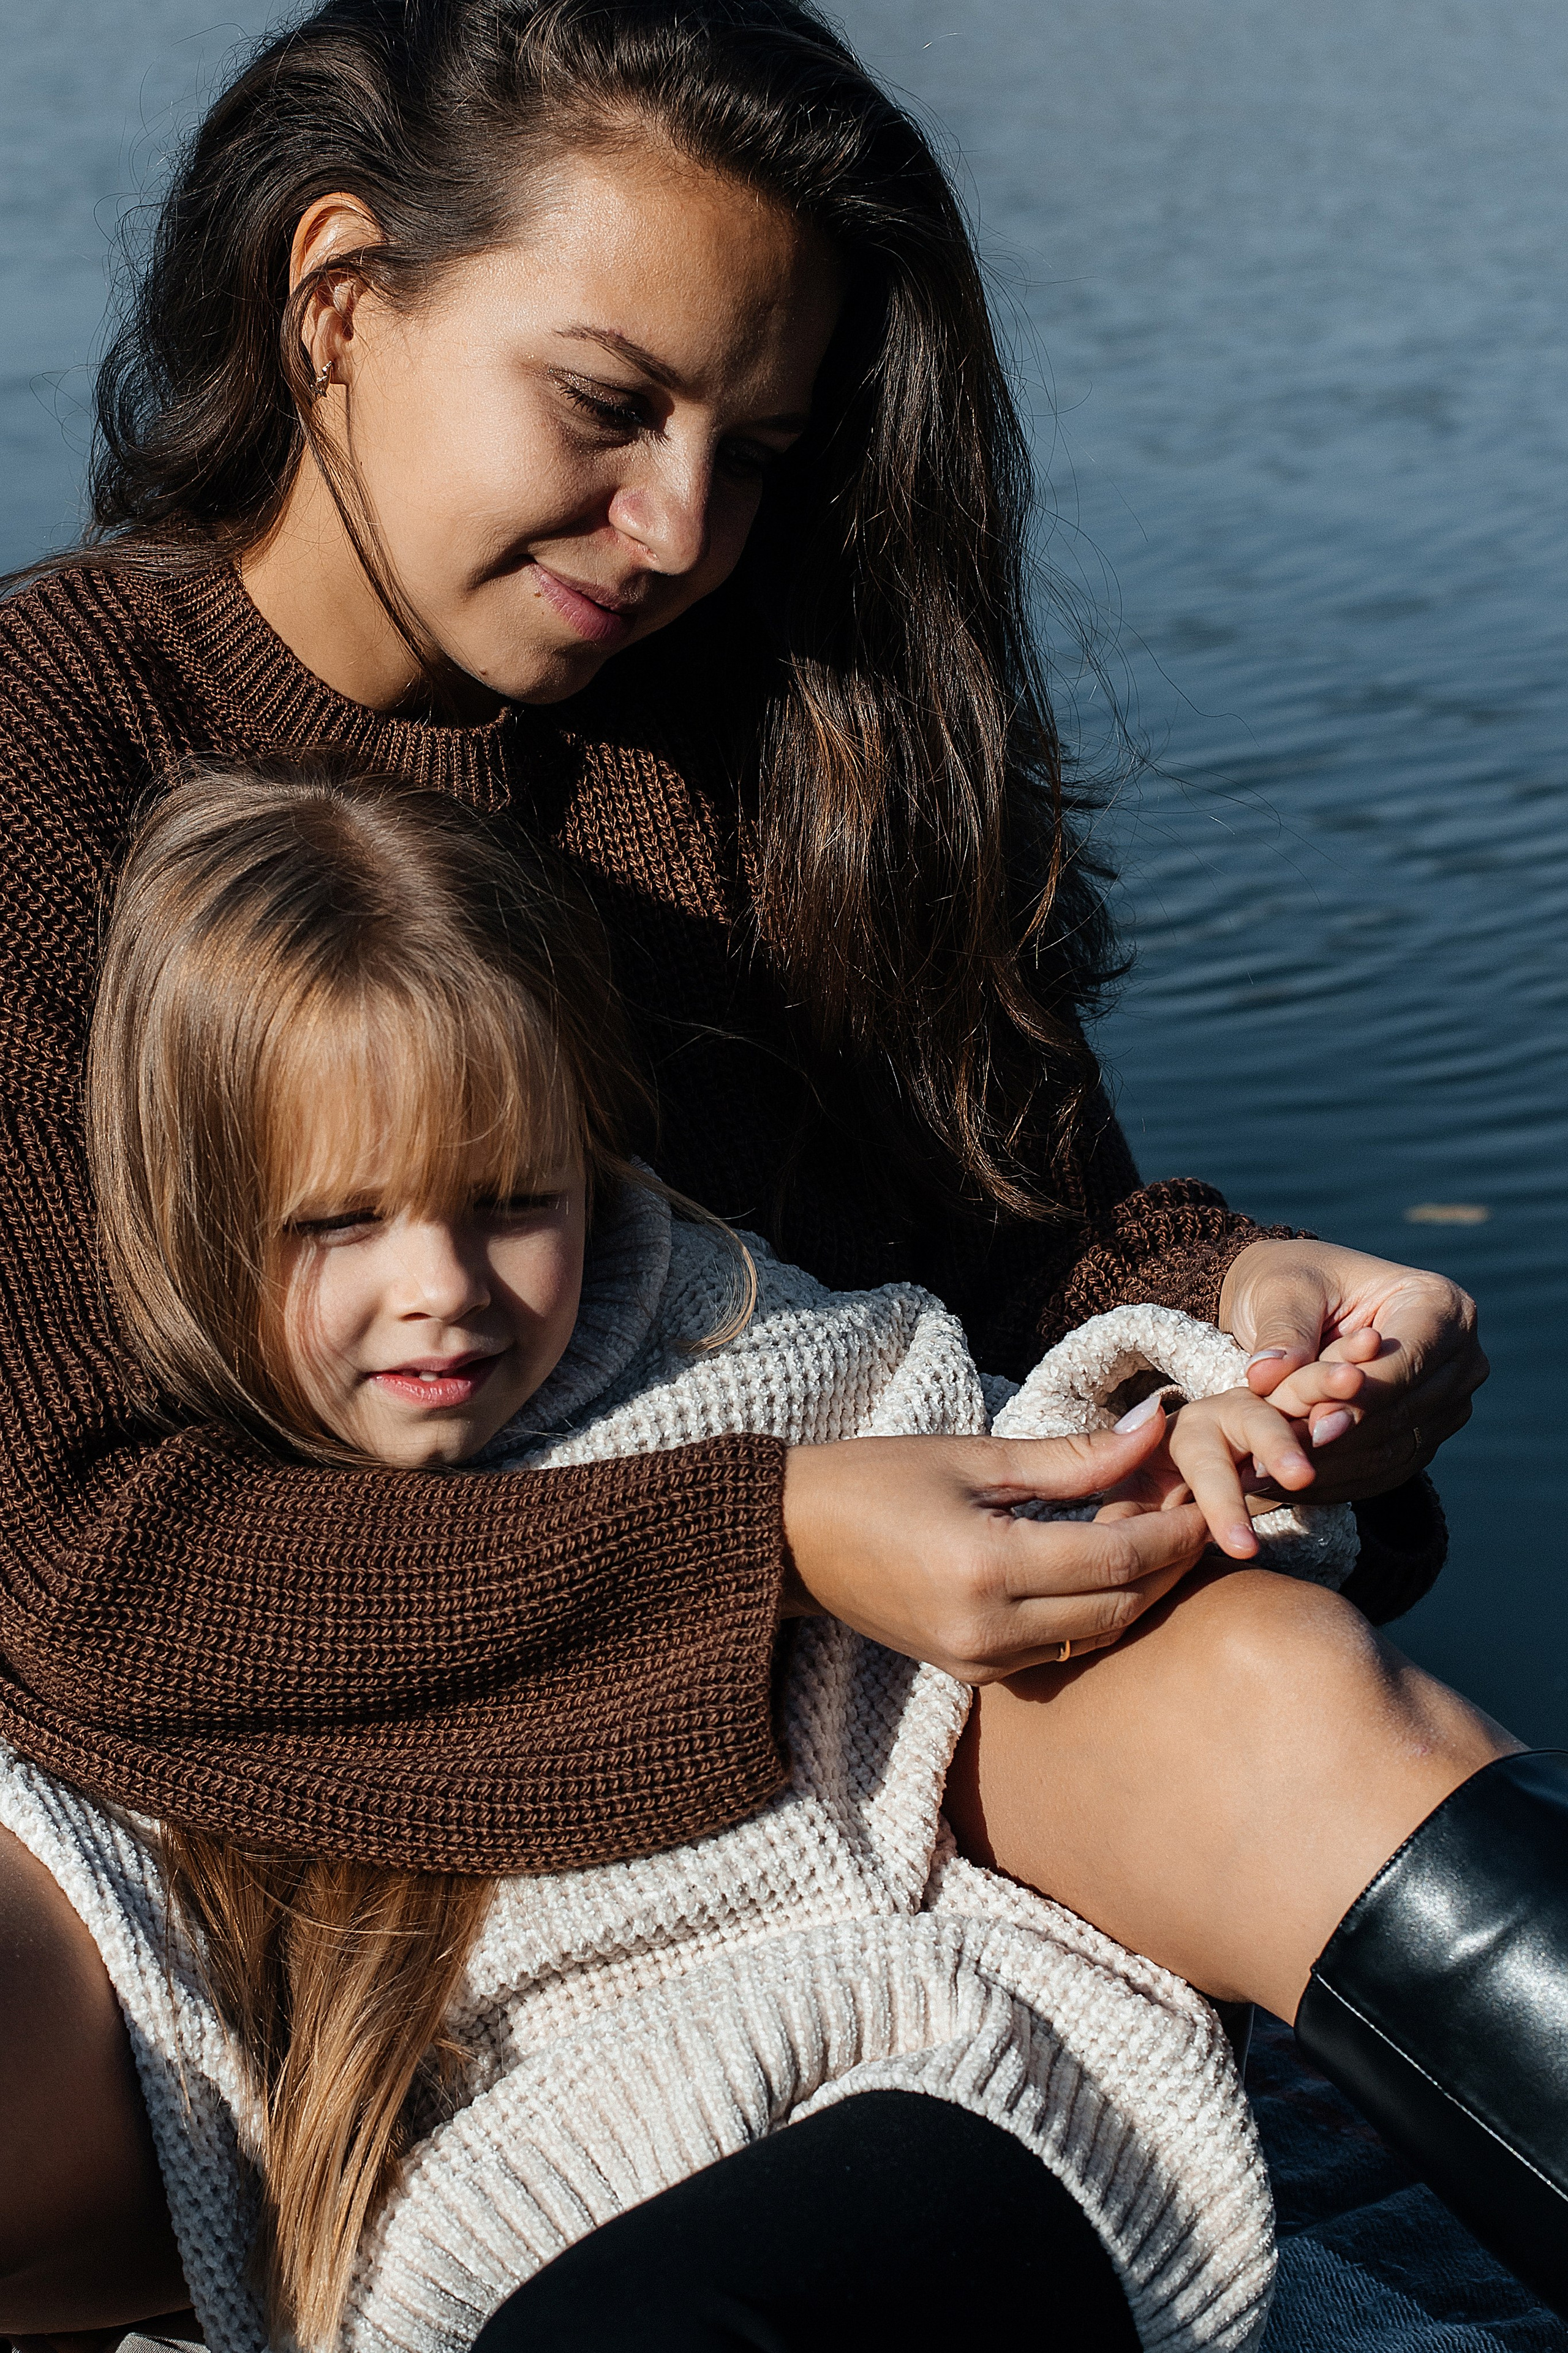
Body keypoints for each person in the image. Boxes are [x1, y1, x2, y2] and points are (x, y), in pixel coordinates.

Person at [0, 0, 1558, 2343]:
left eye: (761, 444)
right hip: (199, 1792)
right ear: (337, 301)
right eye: (608, 406)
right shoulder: (43, 755)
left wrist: (1261, 1317)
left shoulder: (765, 726)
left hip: (813, 1733)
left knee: (1279, 1685)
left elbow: (1029, 1241)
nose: (683, 528)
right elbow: (86, 1568)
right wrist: (792, 1539)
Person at [41, 755, 1365, 2352]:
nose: (442, 1286)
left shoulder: (717, 1352)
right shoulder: (183, 1561)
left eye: (509, 1199)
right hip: (512, 2192)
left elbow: (1025, 1448)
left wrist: (1210, 1422)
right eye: (343, 1221)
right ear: (197, 1212)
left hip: (892, 2057)